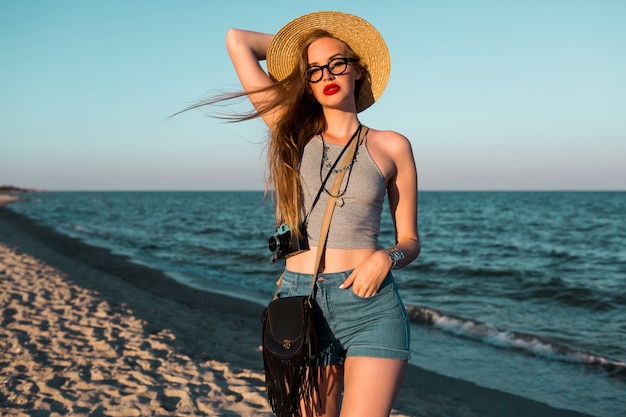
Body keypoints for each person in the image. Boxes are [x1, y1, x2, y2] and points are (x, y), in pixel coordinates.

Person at [206, 11, 420, 417]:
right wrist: (297, 53)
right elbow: (238, 40)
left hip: (371, 305)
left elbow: (410, 241)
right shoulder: (291, 132)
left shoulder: (393, 145)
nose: (327, 75)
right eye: (314, 70)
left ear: (357, 69)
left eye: (337, 63)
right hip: (301, 301)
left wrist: (386, 257)